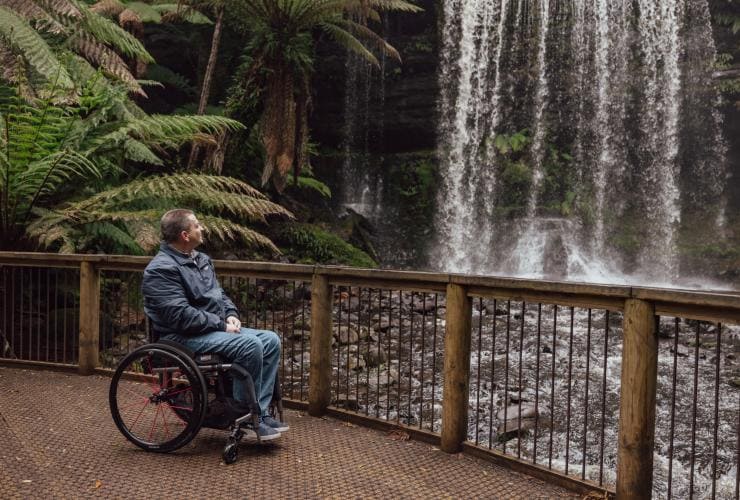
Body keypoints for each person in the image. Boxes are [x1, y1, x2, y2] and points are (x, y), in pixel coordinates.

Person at [142, 208, 288, 441]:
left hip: (210, 328)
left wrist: (230, 313)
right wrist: (220, 325)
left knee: (270, 339)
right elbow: (179, 315)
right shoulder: (161, 269)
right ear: (184, 235)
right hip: (181, 336)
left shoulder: (201, 260)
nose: (202, 228)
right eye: (197, 225)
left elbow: (218, 295)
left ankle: (257, 412)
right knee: (250, 345)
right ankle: (244, 414)